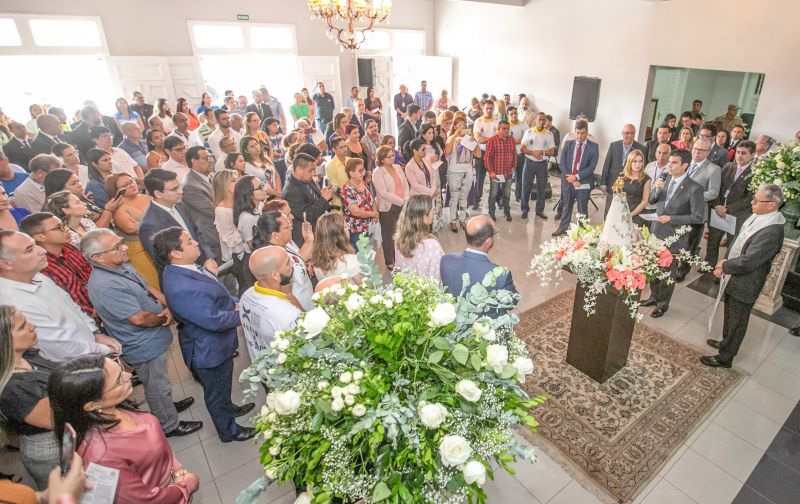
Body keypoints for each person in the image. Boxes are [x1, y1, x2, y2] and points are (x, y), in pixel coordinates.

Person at [81, 229, 201, 438]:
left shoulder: (120, 265)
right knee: (156, 385)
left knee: (159, 381)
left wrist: (167, 302)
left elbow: (146, 287)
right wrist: (166, 317)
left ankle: (167, 407)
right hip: (143, 344)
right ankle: (169, 424)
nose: (125, 247)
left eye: (121, 242)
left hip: (154, 337)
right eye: (117, 247)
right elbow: (139, 319)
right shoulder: (106, 285)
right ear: (98, 258)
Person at [48, 354, 200, 502]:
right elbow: (147, 500)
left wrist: (178, 470)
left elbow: (159, 448)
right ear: (93, 405)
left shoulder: (114, 408)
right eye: (119, 381)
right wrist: (186, 486)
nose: (128, 376)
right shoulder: (101, 457)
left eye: (121, 369)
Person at [153, 227, 256, 443]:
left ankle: (229, 409)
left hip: (217, 344)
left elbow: (221, 297)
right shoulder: (181, 286)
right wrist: (246, 314)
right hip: (207, 349)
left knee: (223, 386)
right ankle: (229, 431)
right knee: (216, 393)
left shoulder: (186, 269)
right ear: (176, 253)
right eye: (189, 241)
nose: (196, 243)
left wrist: (239, 303)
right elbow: (214, 319)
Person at [0, 230, 120, 361]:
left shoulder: (37, 276)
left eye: (35, 245)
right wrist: (105, 349)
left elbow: (71, 306)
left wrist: (95, 333)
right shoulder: (15, 304)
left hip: (93, 351)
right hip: (78, 366)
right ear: (5, 264)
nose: (42, 250)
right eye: (29, 250)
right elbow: (63, 349)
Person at [701, 184, 786, 368]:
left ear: (772, 205)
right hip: (735, 275)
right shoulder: (759, 216)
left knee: (738, 320)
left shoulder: (772, 230)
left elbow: (749, 260)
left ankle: (726, 357)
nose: (752, 203)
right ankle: (725, 343)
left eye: (757, 200)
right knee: (730, 314)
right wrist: (724, 261)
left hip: (746, 281)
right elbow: (738, 242)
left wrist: (725, 266)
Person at [640, 149, 705, 318]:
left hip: (675, 235)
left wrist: (672, 219)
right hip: (656, 231)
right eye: (669, 161)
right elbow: (653, 200)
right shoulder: (665, 179)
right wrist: (656, 189)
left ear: (684, 165)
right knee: (654, 268)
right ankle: (653, 297)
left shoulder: (694, 188)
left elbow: (698, 217)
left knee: (668, 271)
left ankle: (663, 303)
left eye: (674, 162)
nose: (669, 165)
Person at [0, 305, 60, 488]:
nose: (33, 326)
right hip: (52, 450)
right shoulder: (14, 388)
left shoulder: (29, 356)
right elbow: (55, 417)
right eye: (22, 326)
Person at [138, 169, 217, 274]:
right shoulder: (149, 225)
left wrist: (209, 257)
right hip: (187, 277)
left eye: (179, 186)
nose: (180, 191)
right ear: (158, 193)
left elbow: (196, 232)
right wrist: (197, 272)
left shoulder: (178, 204)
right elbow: (164, 261)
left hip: (205, 266)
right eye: (174, 189)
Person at [239, 246, 302, 360]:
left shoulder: (246, 296)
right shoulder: (288, 314)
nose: (293, 263)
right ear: (275, 275)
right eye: (288, 263)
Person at [675, 138, 722, 281]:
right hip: (678, 211)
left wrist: (691, 196)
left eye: (701, 150)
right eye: (695, 148)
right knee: (676, 240)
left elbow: (713, 193)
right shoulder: (685, 164)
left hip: (695, 213)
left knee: (690, 244)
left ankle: (682, 270)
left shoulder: (714, 169)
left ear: (708, 152)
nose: (696, 152)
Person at [705, 140, 757, 268]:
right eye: (738, 152)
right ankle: (708, 265)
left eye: (744, 153)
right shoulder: (728, 166)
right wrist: (717, 205)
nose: (739, 155)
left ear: (752, 155)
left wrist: (727, 209)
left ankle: (723, 269)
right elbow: (717, 187)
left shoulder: (756, 172)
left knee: (732, 245)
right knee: (713, 241)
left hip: (737, 215)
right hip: (718, 210)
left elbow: (749, 198)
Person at [253, 207, 315, 311]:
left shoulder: (284, 245)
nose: (292, 228)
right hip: (298, 309)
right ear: (275, 235)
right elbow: (287, 294)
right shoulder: (272, 260)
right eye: (288, 226)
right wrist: (304, 317)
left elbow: (298, 260)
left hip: (306, 301)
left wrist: (309, 241)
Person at [441, 215, 516, 297]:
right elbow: (512, 301)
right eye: (494, 233)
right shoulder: (501, 276)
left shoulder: (446, 261)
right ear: (488, 242)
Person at [107, 173, 159, 288]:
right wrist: (156, 221)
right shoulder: (118, 208)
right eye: (125, 184)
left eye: (132, 181)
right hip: (140, 251)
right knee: (156, 283)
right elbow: (131, 228)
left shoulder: (147, 197)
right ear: (116, 191)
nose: (131, 185)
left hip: (160, 243)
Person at [551, 120, 599, 236]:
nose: (579, 136)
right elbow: (563, 163)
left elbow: (591, 167)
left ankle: (582, 231)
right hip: (568, 181)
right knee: (567, 205)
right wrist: (571, 179)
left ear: (587, 133)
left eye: (582, 133)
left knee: (582, 208)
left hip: (583, 182)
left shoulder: (593, 147)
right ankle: (563, 228)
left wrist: (576, 177)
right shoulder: (569, 144)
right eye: (577, 133)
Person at [281, 153, 334, 246]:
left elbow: (315, 200)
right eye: (311, 170)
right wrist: (323, 199)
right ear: (298, 170)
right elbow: (307, 216)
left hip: (319, 230)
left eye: (314, 170)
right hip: (306, 237)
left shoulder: (305, 179)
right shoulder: (291, 191)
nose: (314, 173)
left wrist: (324, 195)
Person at [180, 146, 222, 261]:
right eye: (206, 158)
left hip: (223, 230)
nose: (210, 161)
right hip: (212, 236)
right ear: (194, 161)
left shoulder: (211, 175)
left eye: (210, 157)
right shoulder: (190, 185)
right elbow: (213, 210)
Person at [372, 145, 409, 269]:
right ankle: (389, 260)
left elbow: (405, 184)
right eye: (389, 156)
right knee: (388, 235)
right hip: (388, 207)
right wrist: (401, 201)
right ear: (382, 159)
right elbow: (383, 193)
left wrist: (406, 199)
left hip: (403, 203)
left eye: (393, 155)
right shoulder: (377, 172)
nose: (393, 158)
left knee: (402, 232)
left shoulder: (398, 167)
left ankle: (401, 257)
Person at [394, 194, 444, 282]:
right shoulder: (432, 246)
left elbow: (398, 270)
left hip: (407, 291)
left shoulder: (399, 240)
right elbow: (437, 278)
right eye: (433, 211)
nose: (434, 213)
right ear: (424, 217)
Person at [43, 168, 117, 227]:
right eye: (73, 183)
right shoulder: (62, 211)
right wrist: (109, 210)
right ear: (59, 190)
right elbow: (94, 233)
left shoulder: (82, 199)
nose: (79, 185)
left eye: (78, 181)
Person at [444, 117, 480, 232]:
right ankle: (453, 220)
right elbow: (447, 152)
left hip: (468, 171)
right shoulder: (450, 138)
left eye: (464, 125)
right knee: (454, 198)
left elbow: (478, 154)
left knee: (464, 197)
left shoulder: (469, 139)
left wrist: (475, 141)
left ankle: (463, 219)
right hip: (454, 171)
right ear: (454, 126)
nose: (462, 127)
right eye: (459, 125)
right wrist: (455, 135)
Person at [600, 124, 645, 215]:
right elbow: (607, 165)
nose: (629, 135)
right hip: (612, 184)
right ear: (622, 133)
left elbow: (641, 168)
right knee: (609, 211)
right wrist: (603, 183)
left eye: (632, 133)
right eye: (627, 133)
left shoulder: (640, 148)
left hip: (629, 187)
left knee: (622, 212)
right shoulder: (614, 145)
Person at [520, 112, 555, 220]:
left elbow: (552, 151)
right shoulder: (529, 132)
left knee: (542, 188)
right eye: (539, 119)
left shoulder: (549, 134)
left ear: (546, 121)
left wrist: (542, 153)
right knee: (526, 187)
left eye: (543, 120)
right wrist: (532, 153)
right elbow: (522, 149)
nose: (541, 122)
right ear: (535, 120)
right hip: (529, 163)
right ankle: (524, 210)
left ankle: (539, 211)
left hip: (542, 165)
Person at [310, 213, 360, 281]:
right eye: (345, 226)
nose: (348, 227)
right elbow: (368, 289)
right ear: (338, 235)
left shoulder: (317, 262)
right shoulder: (351, 261)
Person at [405, 139, 441, 230]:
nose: (426, 151)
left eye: (426, 149)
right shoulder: (409, 166)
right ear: (414, 151)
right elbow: (415, 185)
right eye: (423, 149)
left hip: (430, 196)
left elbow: (432, 176)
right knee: (420, 223)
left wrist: (432, 191)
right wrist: (431, 191)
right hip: (419, 198)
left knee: (429, 221)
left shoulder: (426, 160)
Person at [484, 121, 517, 222]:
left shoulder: (511, 139)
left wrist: (514, 166)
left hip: (508, 173)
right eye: (504, 129)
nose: (506, 131)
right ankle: (492, 213)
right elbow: (487, 158)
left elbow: (515, 154)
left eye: (508, 129)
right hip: (496, 173)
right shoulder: (492, 140)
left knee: (507, 194)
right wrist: (491, 172)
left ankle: (507, 212)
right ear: (498, 129)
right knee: (493, 194)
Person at [341, 158, 378, 247]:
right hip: (356, 230)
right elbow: (356, 212)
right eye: (360, 171)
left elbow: (371, 199)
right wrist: (373, 214)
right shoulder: (346, 190)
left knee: (368, 254)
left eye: (363, 169)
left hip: (368, 226)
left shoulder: (362, 183)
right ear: (351, 173)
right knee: (360, 257)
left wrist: (374, 212)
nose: (363, 172)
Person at [472, 101, 498, 210]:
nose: (489, 110)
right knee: (479, 178)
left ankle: (495, 201)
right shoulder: (478, 121)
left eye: (491, 108)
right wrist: (492, 139)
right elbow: (479, 139)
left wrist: (486, 139)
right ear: (483, 108)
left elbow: (499, 139)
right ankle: (476, 200)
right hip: (481, 153)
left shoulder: (498, 121)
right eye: (487, 108)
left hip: (494, 154)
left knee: (495, 179)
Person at [234, 175, 269, 254]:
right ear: (249, 194)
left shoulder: (260, 205)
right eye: (260, 187)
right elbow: (254, 248)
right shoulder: (247, 218)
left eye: (263, 185)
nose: (265, 189)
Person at [619, 150, 652, 226]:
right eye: (635, 161)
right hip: (620, 210)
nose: (638, 164)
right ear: (629, 162)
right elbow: (617, 195)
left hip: (636, 213)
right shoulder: (622, 176)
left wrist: (631, 214)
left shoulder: (646, 179)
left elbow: (645, 201)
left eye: (640, 161)